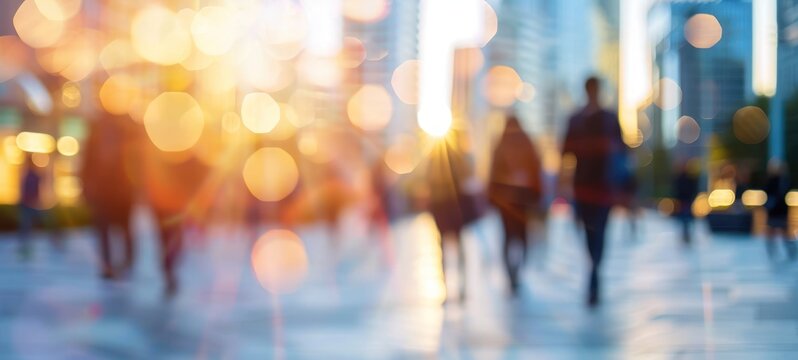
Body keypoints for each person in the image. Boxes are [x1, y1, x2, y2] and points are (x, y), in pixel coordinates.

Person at [561, 77, 628, 307]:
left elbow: (623, 153)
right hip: (585, 190)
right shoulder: (578, 120)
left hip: (602, 189)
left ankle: (594, 276)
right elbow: (565, 152)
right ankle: (594, 273)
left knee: (598, 234)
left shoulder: (606, 119)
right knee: (592, 235)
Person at [489, 115, 541, 296]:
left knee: (508, 237)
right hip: (521, 200)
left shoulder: (501, 144)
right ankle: (516, 270)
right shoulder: (526, 141)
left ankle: (512, 272)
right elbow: (536, 167)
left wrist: (493, 197)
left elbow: (493, 173)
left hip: (507, 201)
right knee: (521, 237)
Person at [80, 115, 136, 279]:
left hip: (121, 192)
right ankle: (109, 265)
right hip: (104, 191)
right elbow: (87, 163)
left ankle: (124, 262)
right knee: (106, 230)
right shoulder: (96, 131)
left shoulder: (126, 129)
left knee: (123, 230)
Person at [427, 132, 480, 303]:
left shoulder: (433, 159)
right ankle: (462, 286)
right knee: (459, 247)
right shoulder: (459, 158)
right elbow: (468, 179)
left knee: (443, 248)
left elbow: (427, 182)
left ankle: (446, 287)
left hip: (441, 209)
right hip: (455, 209)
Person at [763, 160, 796, 261]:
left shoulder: (782, 181)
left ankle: (790, 251)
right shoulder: (776, 180)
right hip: (776, 211)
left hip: (778, 211)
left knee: (782, 232)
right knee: (774, 232)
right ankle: (774, 252)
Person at [18, 154, 43, 259]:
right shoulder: (28, 174)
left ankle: (27, 247)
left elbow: (35, 190)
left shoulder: (32, 175)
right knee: (26, 226)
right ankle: (26, 247)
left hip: (30, 204)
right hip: (26, 204)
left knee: (28, 225)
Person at [673, 160, 699, 245]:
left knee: (687, 219)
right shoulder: (679, 178)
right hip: (683, 201)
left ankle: (687, 235)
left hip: (688, 201)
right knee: (684, 219)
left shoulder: (689, 178)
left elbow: (693, 189)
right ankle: (685, 234)